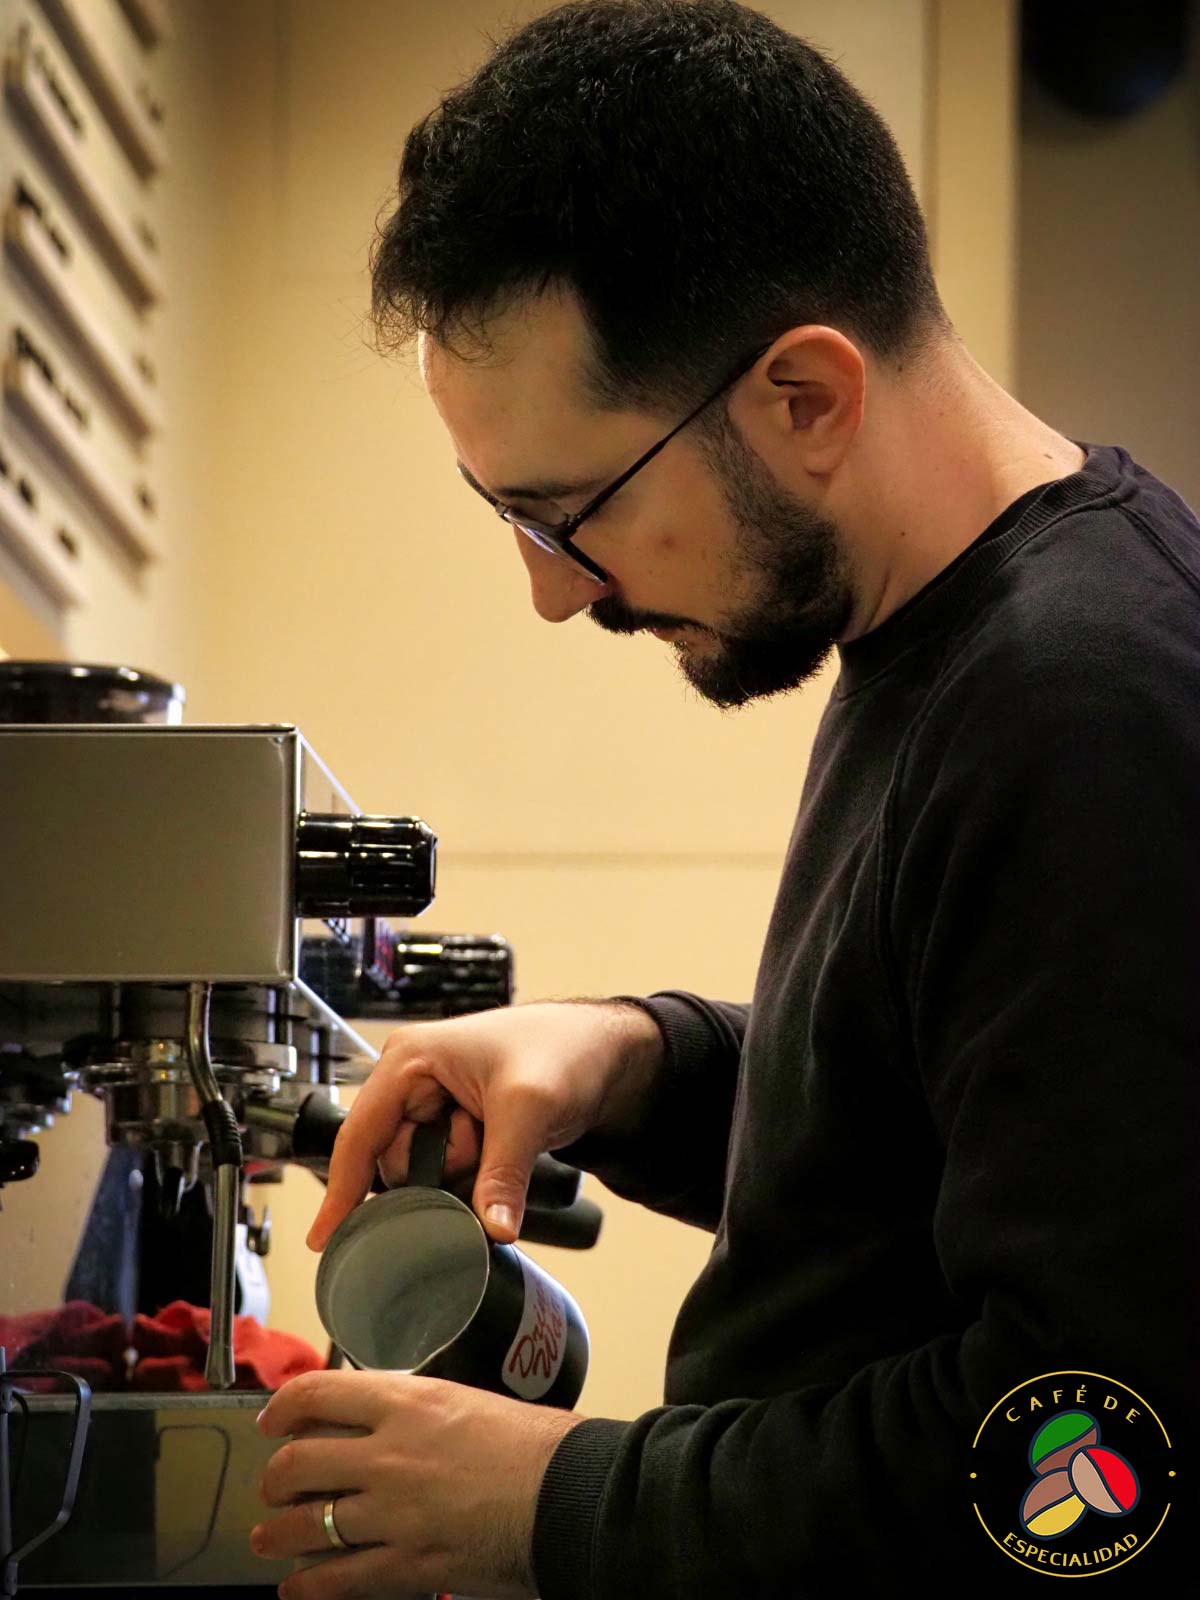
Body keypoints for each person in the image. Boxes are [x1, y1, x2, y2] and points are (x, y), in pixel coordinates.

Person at [250, 2, 1195, 1594]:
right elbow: (962, 1119)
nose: (556, 596)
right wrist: (640, 1058)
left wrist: (564, 1502)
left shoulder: (1086, 706)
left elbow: (1097, 1460)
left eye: (571, 513)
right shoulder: (954, 647)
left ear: (807, 396)